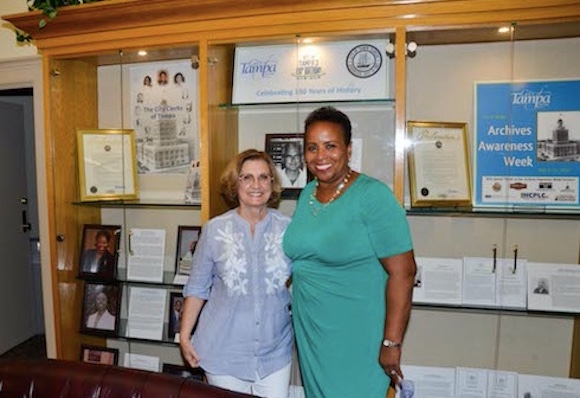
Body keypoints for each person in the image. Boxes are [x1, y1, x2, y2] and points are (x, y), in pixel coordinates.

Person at [283, 106, 416, 398]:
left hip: (357, 333)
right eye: (312, 147)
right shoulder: (307, 194)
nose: (321, 156)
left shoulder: (373, 196)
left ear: (348, 149)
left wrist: (391, 343)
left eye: (331, 146)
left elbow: (404, 273)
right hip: (313, 332)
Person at [180, 149, 293, 398]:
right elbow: (197, 287)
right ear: (235, 183)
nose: (256, 185)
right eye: (247, 177)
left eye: (264, 177)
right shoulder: (214, 230)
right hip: (222, 351)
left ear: (272, 184)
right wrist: (185, 336)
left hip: (274, 353)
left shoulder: (289, 230)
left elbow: (307, 282)